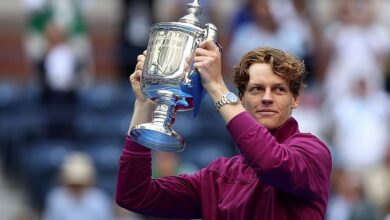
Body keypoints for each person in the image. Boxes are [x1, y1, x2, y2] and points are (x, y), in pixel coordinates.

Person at [116, 40, 332, 219]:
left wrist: (217, 86)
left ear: (295, 100)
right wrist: (145, 104)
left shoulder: (312, 152)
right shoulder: (218, 176)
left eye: (278, 90)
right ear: (241, 98)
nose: (267, 98)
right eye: (256, 89)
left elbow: (269, 161)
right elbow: (134, 194)